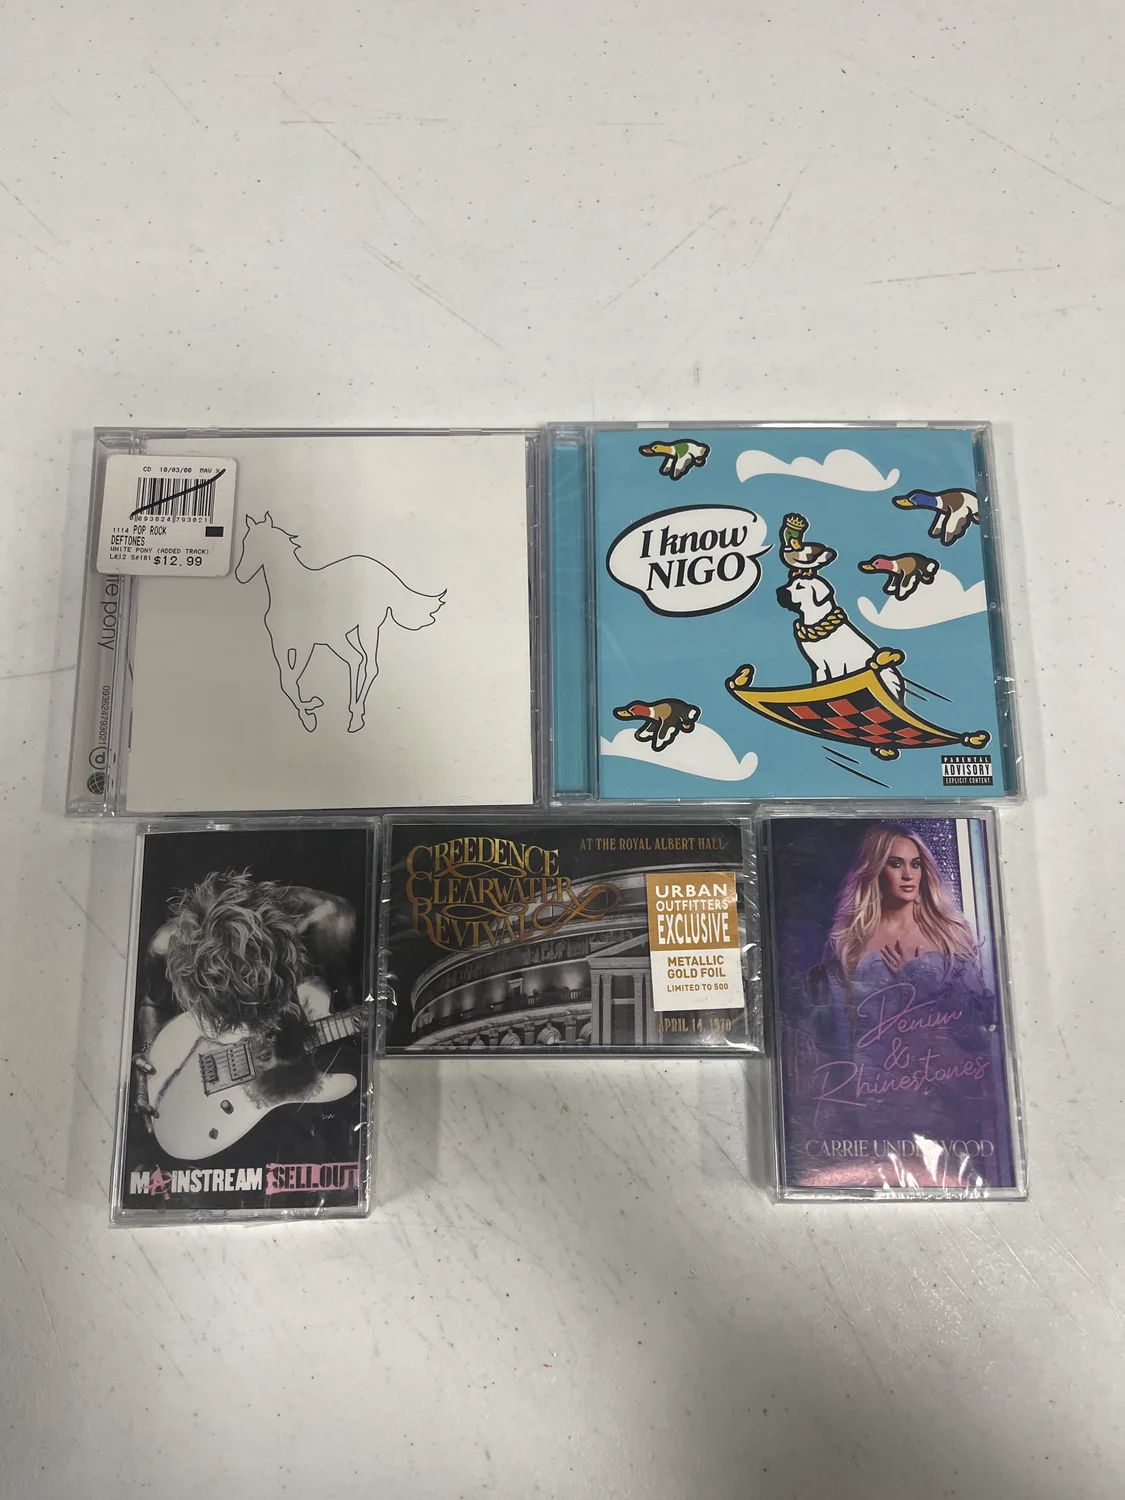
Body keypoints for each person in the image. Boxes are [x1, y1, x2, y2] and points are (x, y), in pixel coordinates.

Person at [132, 870, 356, 1128]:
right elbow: (153, 1004)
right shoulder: (166, 946)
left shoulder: (331, 923)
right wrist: (152, 1060)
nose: (251, 1031)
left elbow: (350, 1007)